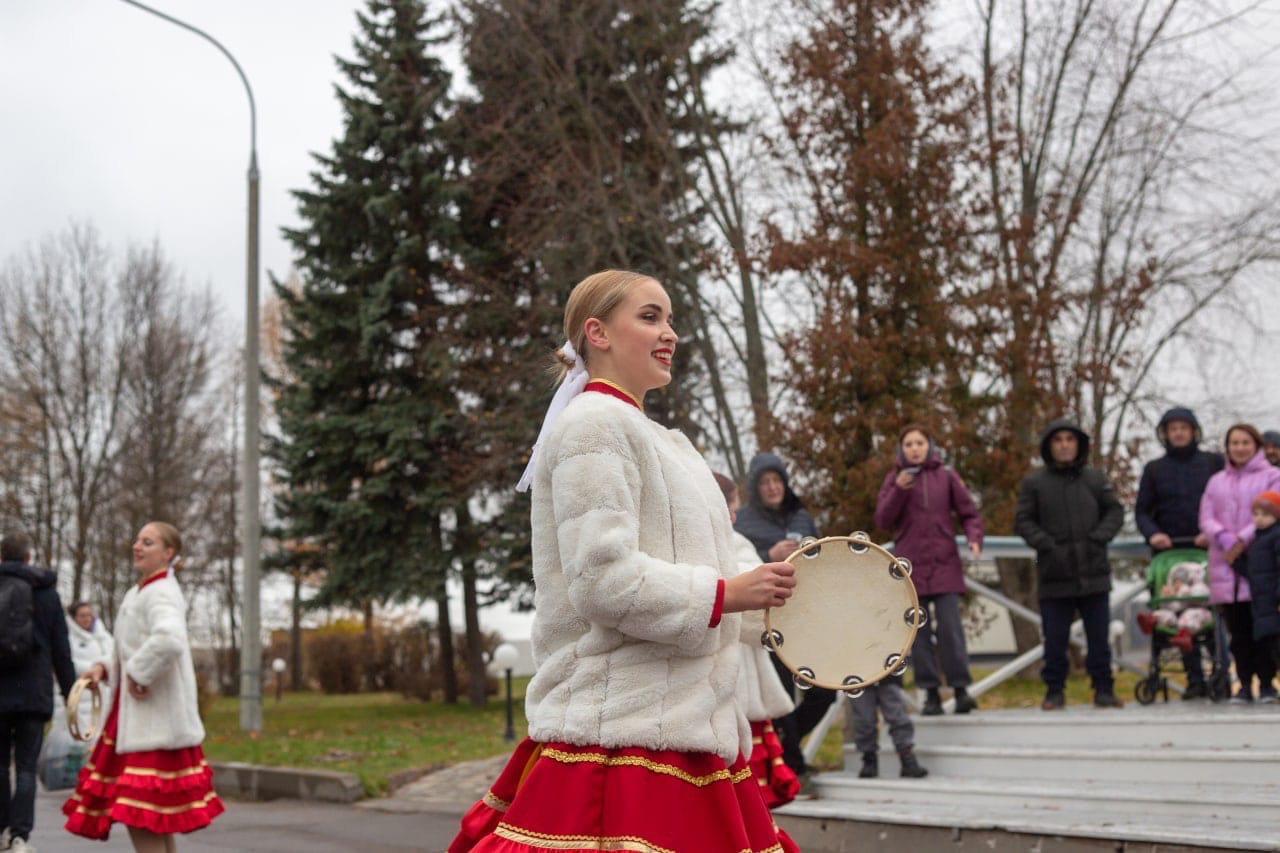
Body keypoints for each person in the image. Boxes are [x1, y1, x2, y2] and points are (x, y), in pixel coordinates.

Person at [450, 270, 798, 853]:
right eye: (650, 316)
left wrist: (780, 601)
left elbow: (712, 583)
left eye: (671, 319)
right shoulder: (592, 425)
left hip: (692, 728)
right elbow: (604, 581)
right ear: (598, 332)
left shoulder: (667, 444)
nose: (671, 333)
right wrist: (728, 594)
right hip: (620, 736)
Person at [64, 522, 224, 850]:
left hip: (152, 724)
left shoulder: (161, 592)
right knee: (152, 816)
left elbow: (169, 639)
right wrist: (104, 668)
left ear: (168, 553)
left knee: (142, 815)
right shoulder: (141, 591)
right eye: (137, 539)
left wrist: (139, 674)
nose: (137, 546)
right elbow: (130, 648)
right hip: (137, 721)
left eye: (148, 542)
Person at [733, 451, 834, 792]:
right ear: (755, 487)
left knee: (826, 691)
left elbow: (823, 558)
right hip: (770, 621)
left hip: (808, 619)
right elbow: (739, 567)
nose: (773, 487)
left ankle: (787, 742)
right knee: (785, 695)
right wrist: (769, 556)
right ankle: (796, 768)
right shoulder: (744, 522)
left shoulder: (801, 516)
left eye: (777, 480)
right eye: (765, 482)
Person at [1014, 418, 1126, 711]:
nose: (1064, 445)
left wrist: (1098, 539)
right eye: (1058, 440)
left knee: (1099, 639)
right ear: (1049, 446)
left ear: (1079, 444)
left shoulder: (1095, 479)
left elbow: (1115, 511)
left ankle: (1104, 690)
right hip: (1054, 574)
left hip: (1094, 573)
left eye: (1070, 439)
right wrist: (1047, 545)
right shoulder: (1035, 483)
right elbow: (1023, 521)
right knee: (1054, 640)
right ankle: (1054, 692)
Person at [874, 424, 984, 715]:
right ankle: (931, 694)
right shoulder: (894, 480)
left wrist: (974, 538)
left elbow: (969, 513)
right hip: (910, 569)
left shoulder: (947, 476)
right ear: (902, 450)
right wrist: (898, 489)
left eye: (919, 442)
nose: (914, 448)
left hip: (945, 564)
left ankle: (961, 691)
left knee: (951, 632)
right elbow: (883, 520)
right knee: (918, 637)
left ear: (930, 445)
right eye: (908, 443)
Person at [713, 471, 800, 809]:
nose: (733, 516)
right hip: (721, 685)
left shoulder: (738, 545)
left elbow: (761, 615)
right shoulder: (724, 544)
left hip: (742, 678)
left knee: (746, 793)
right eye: (729, 507)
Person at [1133, 407, 1224, 699]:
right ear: (1165, 434)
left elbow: (1226, 502)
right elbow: (1142, 511)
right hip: (1169, 553)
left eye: (1184, 428)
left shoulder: (1213, 463)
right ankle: (1194, 679)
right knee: (1177, 607)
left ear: (1194, 431)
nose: (1179, 433)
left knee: (1211, 612)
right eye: (1173, 429)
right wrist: (1153, 534)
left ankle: (1220, 672)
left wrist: (1212, 533)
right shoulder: (1154, 469)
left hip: (1208, 550)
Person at [0, 532, 77, 853]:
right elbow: (61, 648)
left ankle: (1, 831)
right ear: (29, 557)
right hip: (34, 693)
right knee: (28, 768)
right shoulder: (47, 593)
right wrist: (70, 690)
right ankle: (20, 837)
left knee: (0, 766)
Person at [1198, 424, 1280, 703]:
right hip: (1225, 566)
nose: (1240, 448)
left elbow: (1273, 513)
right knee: (1238, 633)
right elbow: (1206, 516)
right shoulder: (1216, 481)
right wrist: (1221, 537)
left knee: (1264, 632)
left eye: (1246, 442)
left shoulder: (1272, 476)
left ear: (1256, 445)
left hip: (1260, 566)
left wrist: (1242, 540)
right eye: (1234, 443)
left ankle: (1268, 684)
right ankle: (1244, 684)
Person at [845, 679, 928, 779]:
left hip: (886, 676)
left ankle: (907, 759)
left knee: (898, 718)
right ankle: (869, 760)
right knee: (864, 721)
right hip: (858, 678)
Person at [64, 602, 115, 735]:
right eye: (82, 616)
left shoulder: (103, 636)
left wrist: (103, 669)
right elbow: (68, 663)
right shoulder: (68, 639)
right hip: (81, 694)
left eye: (89, 615)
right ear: (74, 618)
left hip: (104, 693)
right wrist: (95, 669)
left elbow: (114, 656)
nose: (87, 619)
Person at [1245, 490, 1280, 678]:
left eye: (1265, 514)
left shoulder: (1275, 536)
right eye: (1256, 514)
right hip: (1262, 603)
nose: (1259, 519)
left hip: (1273, 602)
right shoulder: (1258, 540)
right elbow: (1254, 570)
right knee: (1272, 647)